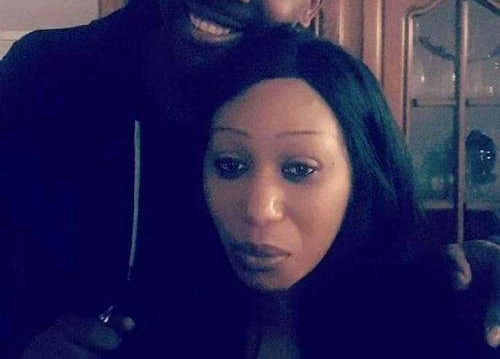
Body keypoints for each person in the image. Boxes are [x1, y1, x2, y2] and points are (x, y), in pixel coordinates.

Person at [0, 0, 498, 355]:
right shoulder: (47, 75)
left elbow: (383, 248)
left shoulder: (315, 103)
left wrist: (476, 269)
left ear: (312, 5)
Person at [21, 29, 498, 357]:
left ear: (362, 178)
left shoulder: (444, 327)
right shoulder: (151, 323)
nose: (257, 209)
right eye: (230, 165)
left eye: (299, 169)